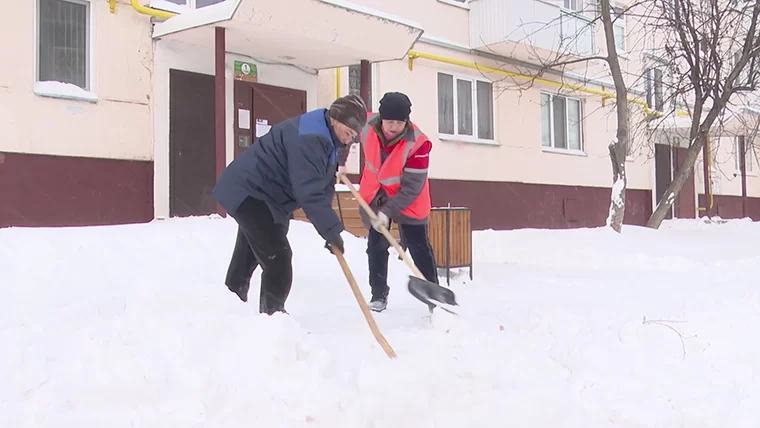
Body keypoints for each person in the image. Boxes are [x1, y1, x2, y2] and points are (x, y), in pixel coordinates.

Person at [212, 94, 368, 315]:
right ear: (336, 119)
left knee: (251, 253)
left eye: (353, 136)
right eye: (348, 132)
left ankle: (230, 308)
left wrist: (329, 231)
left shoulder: (327, 138)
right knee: (278, 258)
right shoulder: (311, 138)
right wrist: (331, 231)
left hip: (266, 196)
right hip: (250, 191)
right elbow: (309, 191)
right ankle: (273, 319)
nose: (349, 140)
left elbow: (322, 187)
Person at [357, 92, 439, 312]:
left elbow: (412, 186)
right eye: (389, 121)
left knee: (418, 246)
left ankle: (434, 296)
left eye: (399, 122)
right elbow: (343, 132)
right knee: (376, 245)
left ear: (407, 121)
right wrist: (341, 159)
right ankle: (378, 295)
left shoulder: (419, 144)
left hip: (408, 197)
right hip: (376, 193)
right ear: (381, 118)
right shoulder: (366, 125)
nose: (393, 127)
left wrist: (388, 211)